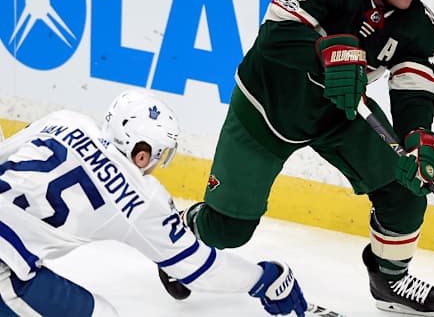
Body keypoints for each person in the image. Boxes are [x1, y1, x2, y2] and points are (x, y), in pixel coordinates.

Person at [161, 0, 434, 316]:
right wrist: (325, 51)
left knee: (407, 183)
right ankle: (184, 229)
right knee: (229, 230)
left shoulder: (420, 27)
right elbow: (274, 36)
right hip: (267, 105)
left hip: (340, 112)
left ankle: (390, 280)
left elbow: (414, 90)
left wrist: (418, 135)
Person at [0, 89, 307, 316]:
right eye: (160, 155)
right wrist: (264, 278)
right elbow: (198, 267)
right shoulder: (140, 197)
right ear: (142, 154)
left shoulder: (66, 121)